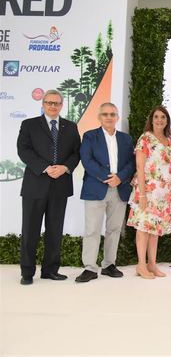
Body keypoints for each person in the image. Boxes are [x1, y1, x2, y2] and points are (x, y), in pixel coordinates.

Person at [16, 89, 80, 285]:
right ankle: (27, 272)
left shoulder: (71, 127)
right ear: (43, 104)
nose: (53, 106)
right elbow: (23, 150)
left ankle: (50, 270)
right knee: (30, 230)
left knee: (55, 231)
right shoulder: (29, 124)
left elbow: (76, 152)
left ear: (61, 105)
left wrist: (64, 168)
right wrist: (44, 167)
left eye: (57, 103)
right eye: (49, 102)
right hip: (35, 185)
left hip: (60, 185)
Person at [75, 103, 136, 283]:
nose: (109, 117)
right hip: (96, 188)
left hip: (120, 188)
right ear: (99, 117)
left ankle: (109, 264)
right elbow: (86, 159)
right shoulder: (90, 136)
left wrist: (120, 178)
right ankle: (90, 267)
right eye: (105, 114)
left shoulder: (126, 139)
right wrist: (107, 177)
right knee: (92, 229)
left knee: (114, 229)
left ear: (117, 117)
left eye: (112, 114)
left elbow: (132, 163)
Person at [127, 105, 171, 279]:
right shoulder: (145, 138)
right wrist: (142, 194)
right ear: (151, 120)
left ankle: (152, 264)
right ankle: (141, 265)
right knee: (143, 227)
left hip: (163, 192)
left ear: (167, 120)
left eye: (163, 117)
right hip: (147, 190)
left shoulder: (170, 141)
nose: (160, 120)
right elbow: (140, 166)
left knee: (155, 229)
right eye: (156, 117)